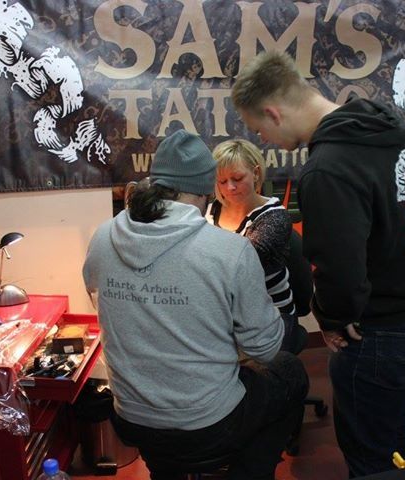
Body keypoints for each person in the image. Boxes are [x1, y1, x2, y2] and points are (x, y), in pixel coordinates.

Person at [232, 51, 405, 477]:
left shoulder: (327, 169)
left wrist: (332, 318)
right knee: (392, 425)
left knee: (369, 451)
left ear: (274, 112)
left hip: (386, 327)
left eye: (259, 129)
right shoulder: (391, 127)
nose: (263, 140)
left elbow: (338, 268)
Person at [82, 129, 309, 480]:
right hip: (208, 425)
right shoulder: (230, 251)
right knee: (290, 372)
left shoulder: (102, 236)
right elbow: (264, 349)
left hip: (130, 420)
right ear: (206, 191)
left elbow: (97, 296)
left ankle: (166, 472)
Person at [206, 139, 297, 351]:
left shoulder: (275, 218)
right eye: (222, 181)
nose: (230, 187)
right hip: (223, 314)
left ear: (255, 173)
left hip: (270, 316)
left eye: (237, 178)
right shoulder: (210, 211)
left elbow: (241, 268)